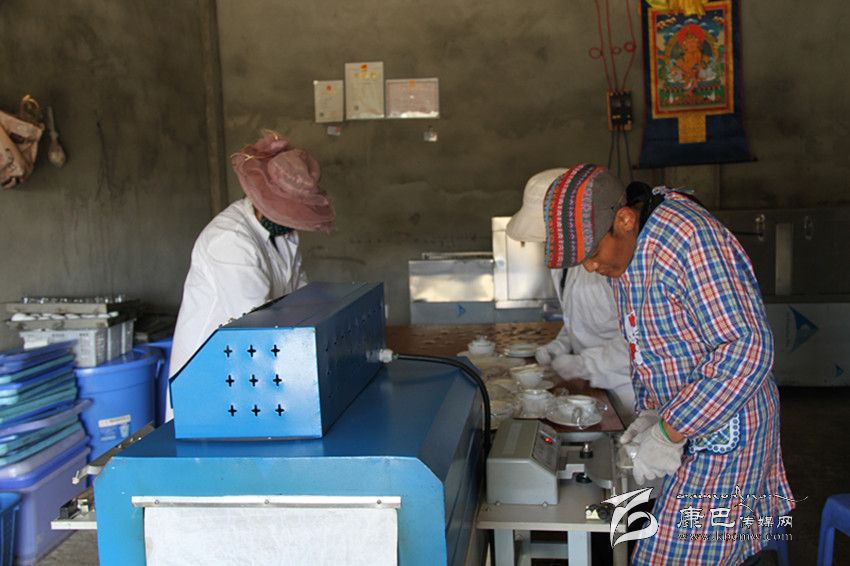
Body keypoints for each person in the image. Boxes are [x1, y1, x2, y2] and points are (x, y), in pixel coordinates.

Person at [578, 181, 794, 565]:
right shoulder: (631, 250)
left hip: (727, 431)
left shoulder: (688, 239)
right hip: (688, 428)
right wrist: (652, 413)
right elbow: (649, 343)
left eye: (593, 253)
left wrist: (669, 430)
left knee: (672, 556)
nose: (590, 267)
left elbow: (747, 347)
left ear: (624, 220)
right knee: (678, 543)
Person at [168, 132, 335, 417]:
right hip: (212, 375)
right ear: (262, 200)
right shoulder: (230, 240)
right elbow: (257, 324)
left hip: (251, 373)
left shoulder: (284, 235)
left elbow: (302, 298)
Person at [506, 165, 635, 424]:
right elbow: (578, 318)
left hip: (627, 389)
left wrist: (585, 364)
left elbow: (638, 339)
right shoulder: (562, 266)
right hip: (591, 389)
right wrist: (559, 347)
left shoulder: (610, 263)